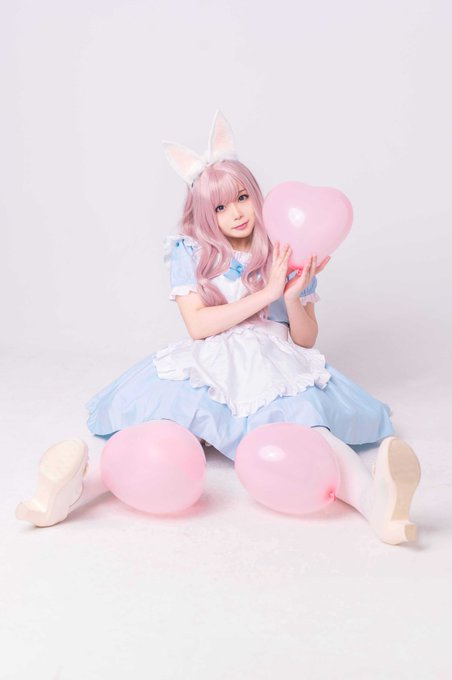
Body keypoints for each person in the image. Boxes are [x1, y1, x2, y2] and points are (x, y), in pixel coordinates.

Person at [16, 111, 421, 544]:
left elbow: (305, 340)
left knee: (308, 426)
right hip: (212, 359)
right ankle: (71, 491)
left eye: (242, 197)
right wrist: (265, 295)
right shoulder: (190, 250)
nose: (236, 213)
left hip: (273, 360)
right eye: (220, 207)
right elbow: (198, 325)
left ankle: (376, 502)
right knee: (169, 427)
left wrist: (288, 296)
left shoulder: (287, 249)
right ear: (205, 214)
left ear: (257, 196)